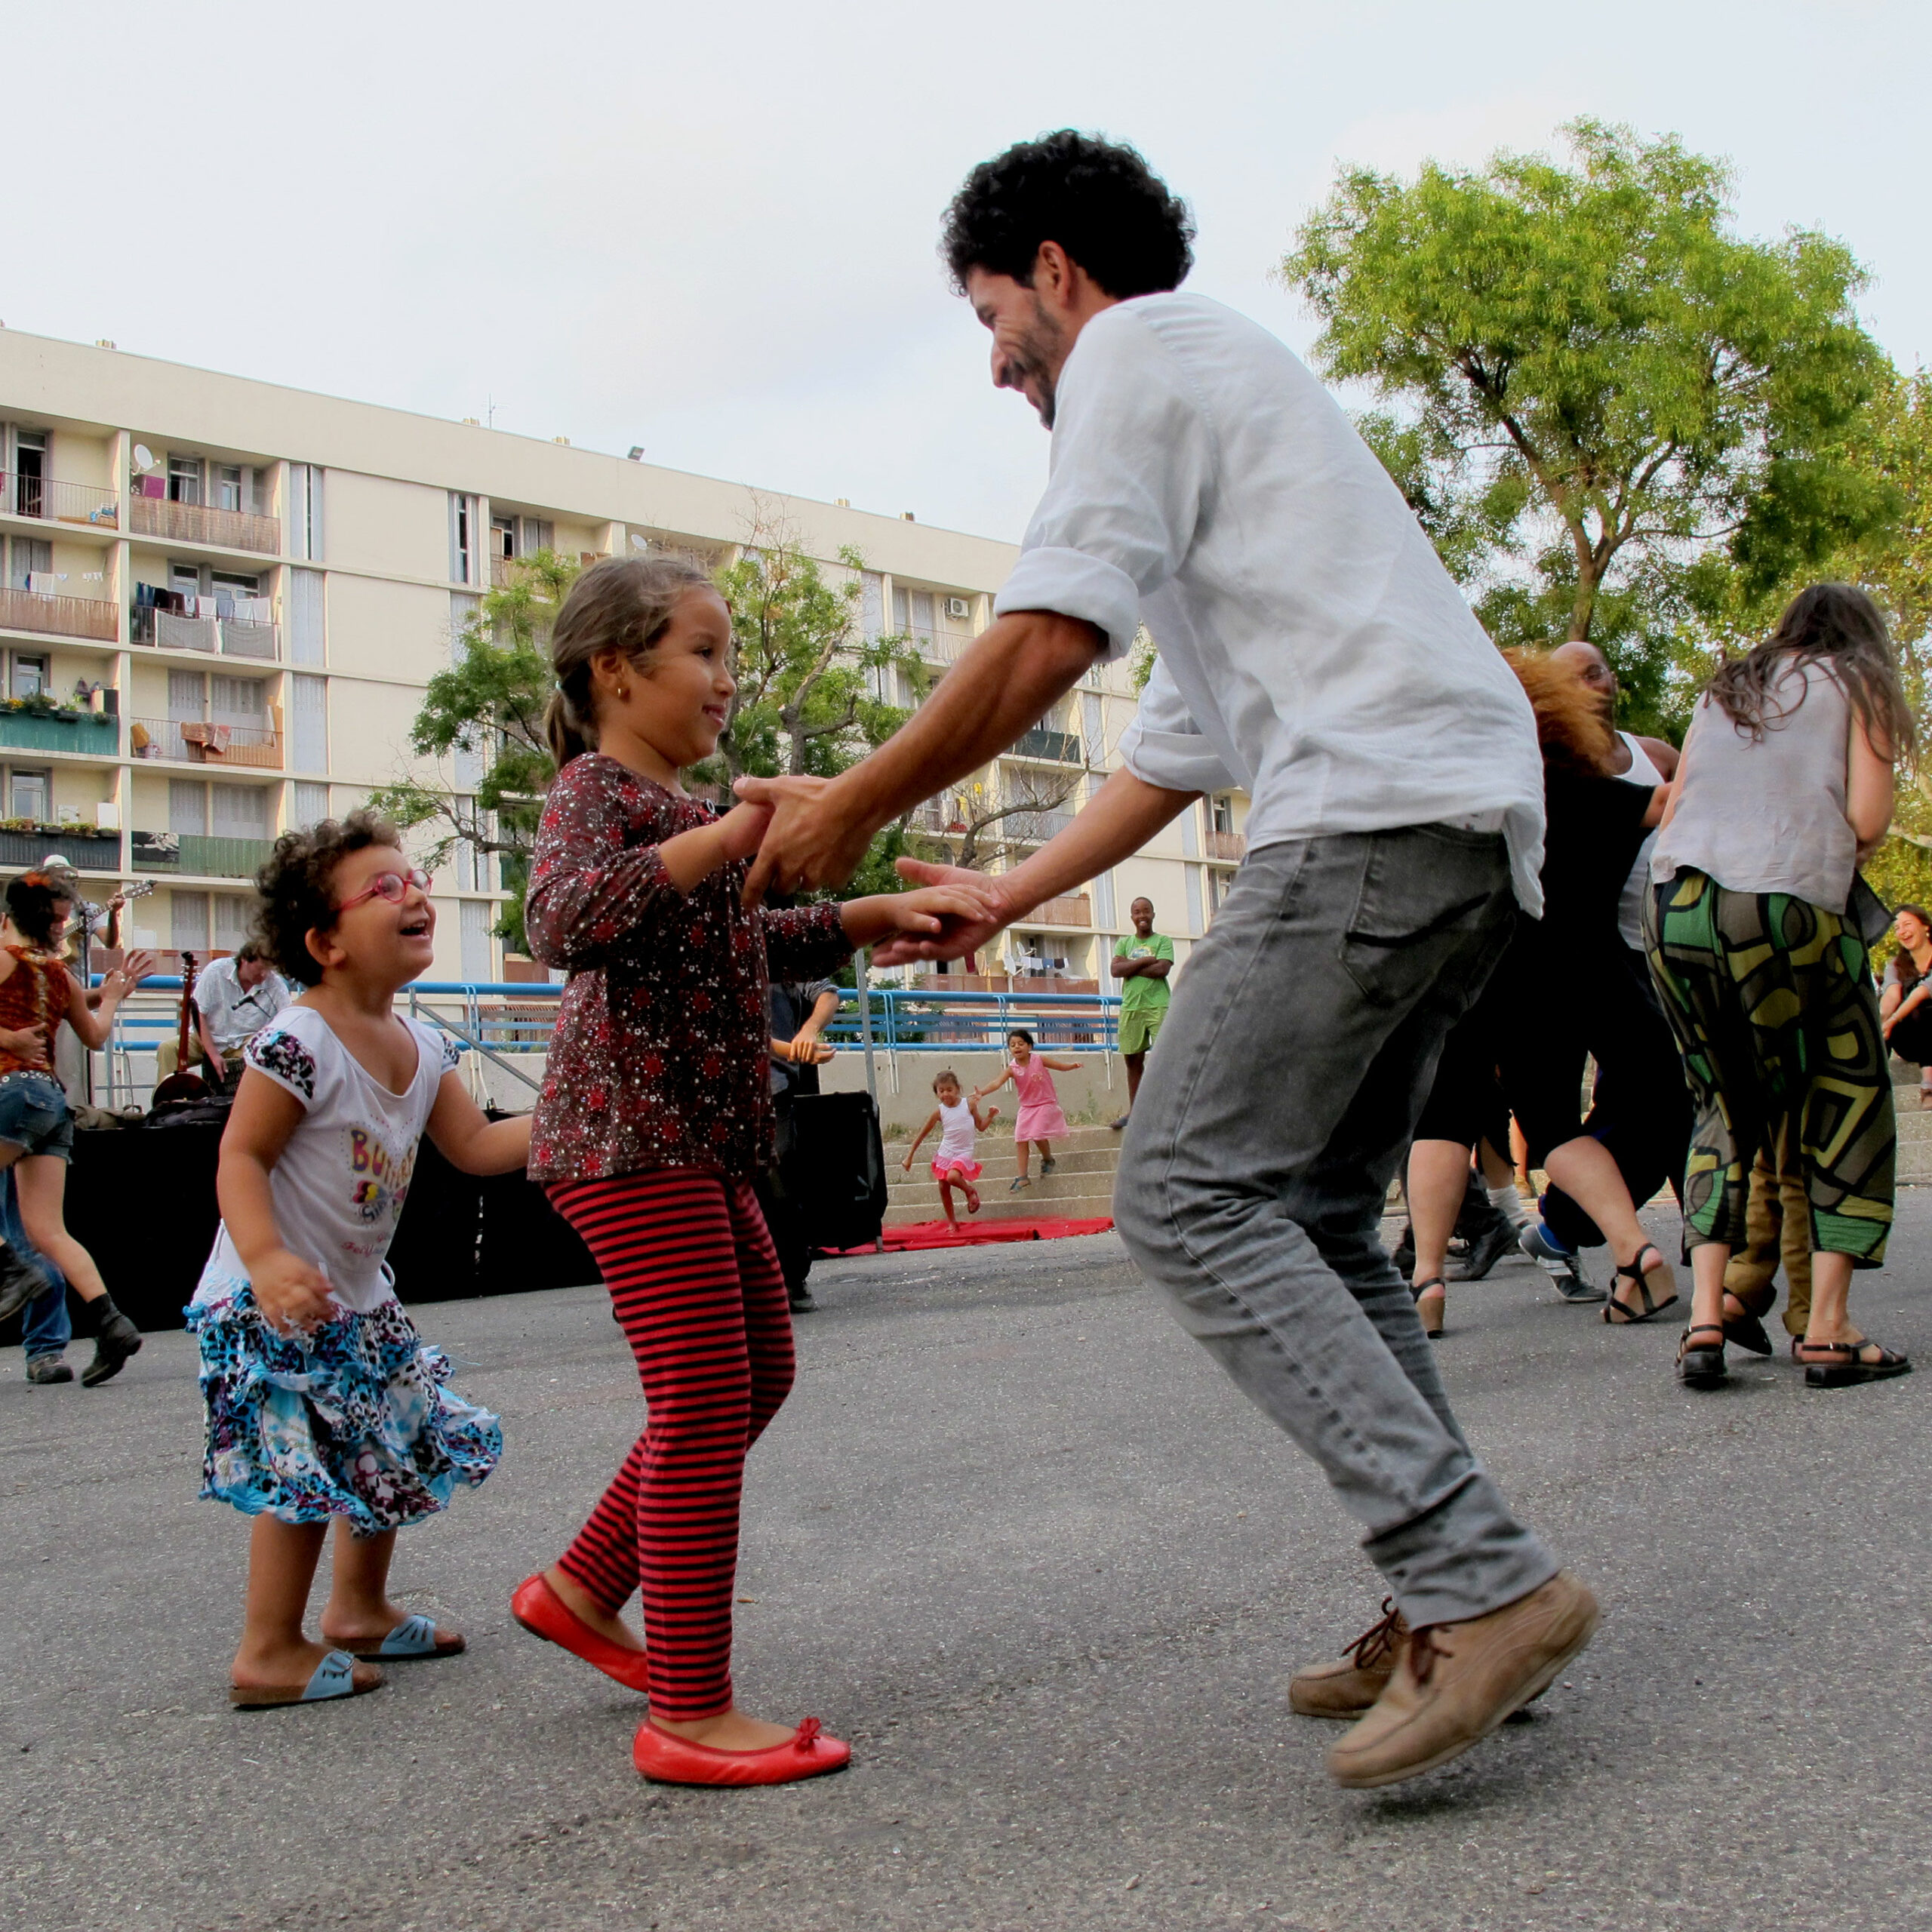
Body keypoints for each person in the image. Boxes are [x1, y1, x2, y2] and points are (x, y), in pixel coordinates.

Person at [736, 131, 1595, 1789]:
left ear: (1057, 270)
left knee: (1185, 1190)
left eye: (993, 315)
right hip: (1448, 819)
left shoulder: (1136, 348)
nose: (995, 363)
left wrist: (851, 802)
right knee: (1318, 1217)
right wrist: (1004, 891)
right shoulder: (1227, 395)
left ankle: (1484, 1586)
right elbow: (1180, 748)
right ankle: (1451, 1591)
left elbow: (1047, 630)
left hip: (1367, 817)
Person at [506, 555, 984, 1789]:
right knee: (705, 1400)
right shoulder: (595, 791)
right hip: (626, 1138)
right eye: (704, 652)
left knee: (758, 1373)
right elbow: (561, 920)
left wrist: (869, 916)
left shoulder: (681, 811)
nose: (726, 680)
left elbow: (741, 932)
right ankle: (689, 1710)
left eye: (730, 656)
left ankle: (580, 1588)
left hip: (697, 1140)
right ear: (619, 668)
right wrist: (735, 832)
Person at [191, 814, 522, 1706]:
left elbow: (477, 1149)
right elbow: (240, 1157)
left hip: (356, 1292)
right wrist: (263, 1258)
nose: (413, 893)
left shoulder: (422, 1045)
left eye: (412, 879)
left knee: (384, 1438)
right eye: (383, 888)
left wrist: (580, 1118)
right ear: (325, 942)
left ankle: (359, 1607)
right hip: (273, 1293)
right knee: (305, 1460)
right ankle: (266, 1649)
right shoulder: (299, 1040)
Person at [1647, 582, 1914, 1391]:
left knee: (1719, 1104)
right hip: (1787, 906)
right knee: (1847, 1094)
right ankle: (1827, 1329)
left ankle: (1705, 1315)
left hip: (1676, 906)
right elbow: (1866, 821)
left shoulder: (1727, 685)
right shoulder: (1858, 682)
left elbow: (1672, 803)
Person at [1401, 650, 1683, 1338]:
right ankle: (1635, 1251)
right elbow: (1673, 803)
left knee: (1443, 1117)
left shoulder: (1477, 782)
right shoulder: (1587, 789)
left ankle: (1426, 1281)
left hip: (1476, 962)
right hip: (1570, 971)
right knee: (1555, 1125)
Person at [0, 872, 152, 1386]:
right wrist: (111, 995)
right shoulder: (58, 974)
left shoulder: (4, 958)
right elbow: (95, 1036)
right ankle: (110, 1321)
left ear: (9, 917)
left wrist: (8, 1039)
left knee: (31, 1240)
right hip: (49, 1102)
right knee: (49, 1230)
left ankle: (14, 1266)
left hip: (10, 1093)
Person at [759, 974, 841, 1312]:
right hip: (710, 1092)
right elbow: (732, 1033)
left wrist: (809, 1030)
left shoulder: (773, 945)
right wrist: (792, 1048)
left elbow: (827, 992)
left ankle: (792, 1278)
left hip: (772, 1090)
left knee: (780, 1186)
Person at [974, 1028, 1075, 1191]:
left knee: (1036, 1134)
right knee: (1021, 1138)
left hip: (1044, 1103)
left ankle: (1048, 1159)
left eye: (1021, 1043)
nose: (1017, 1047)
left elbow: (1059, 1066)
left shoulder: (1039, 1060)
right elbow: (997, 1083)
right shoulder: (1012, 1068)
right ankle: (1022, 1177)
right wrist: (982, 1093)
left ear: (1029, 1046)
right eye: (1013, 1045)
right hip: (1027, 1107)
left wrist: (1071, 1066)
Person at [189, 940, 291, 1091]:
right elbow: (199, 1014)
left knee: (263, 1052)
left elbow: (288, 1017)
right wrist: (213, 1054)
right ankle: (164, 1107)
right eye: (260, 969)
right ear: (244, 960)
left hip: (245, 1041)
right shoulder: (216, 971)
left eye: (268, 970)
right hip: (207, 1036)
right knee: (169, 1050)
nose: (264, 975)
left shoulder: (275, 984)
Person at [902, 1068, 998, 1226]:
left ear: (958, 1089)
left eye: (949, 1090)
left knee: (952, 1177)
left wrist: (990, 1115)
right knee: (943, 1188)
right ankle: (952, 1222)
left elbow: (981, 1126)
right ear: (936, 1093)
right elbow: (922, 1134)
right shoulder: (939, 1112)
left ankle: (970, 1192)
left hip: (963, 1152)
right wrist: (909, 1156)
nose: (945, 1094)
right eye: (941, 1091)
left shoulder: (969, 1104)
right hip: (946, 1152)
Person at [1108, 897, 1172, 1129]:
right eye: (1137, 912)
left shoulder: (1163, 940)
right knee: (1133, 1061)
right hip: (1131, 1007)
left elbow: (1162, 969)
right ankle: (1135, 1114)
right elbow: (1115, 970)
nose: (1142, 916)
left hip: (1158, 1005)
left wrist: (1130, 967)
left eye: (1146, 911)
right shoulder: (1124, 943)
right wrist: (1146, 960)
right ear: (1132, 917)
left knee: (1165, 1059)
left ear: (1153, 914)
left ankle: (1168, 1112)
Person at [1878, 903, 1932, 1106]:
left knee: (1925, 1009)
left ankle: (1929, 1083)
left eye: (1907, 924)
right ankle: (1874, 1085)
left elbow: (1922, 991)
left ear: (1925, 926)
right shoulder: (1895, 965)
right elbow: (1891, 993)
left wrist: (1893, 1020)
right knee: (1879, 1015)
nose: (1902, 932)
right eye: (1897, 928)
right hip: (1910, 1038)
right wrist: (1882, 1019)